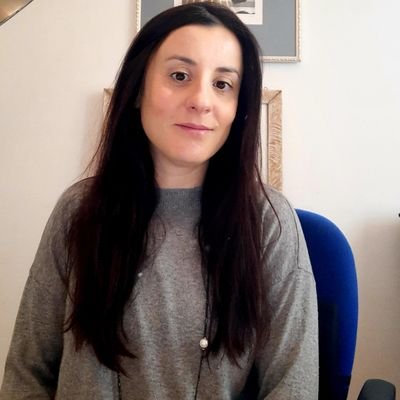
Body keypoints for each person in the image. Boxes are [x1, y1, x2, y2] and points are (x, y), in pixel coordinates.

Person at [0, 2, 318, 399]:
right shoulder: (78, 210)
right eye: (180, 75)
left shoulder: (268, 221)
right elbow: (26, 375)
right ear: (138, 90)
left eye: (223, 84)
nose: (201, 100)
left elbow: (293, 387)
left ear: (238, 108)